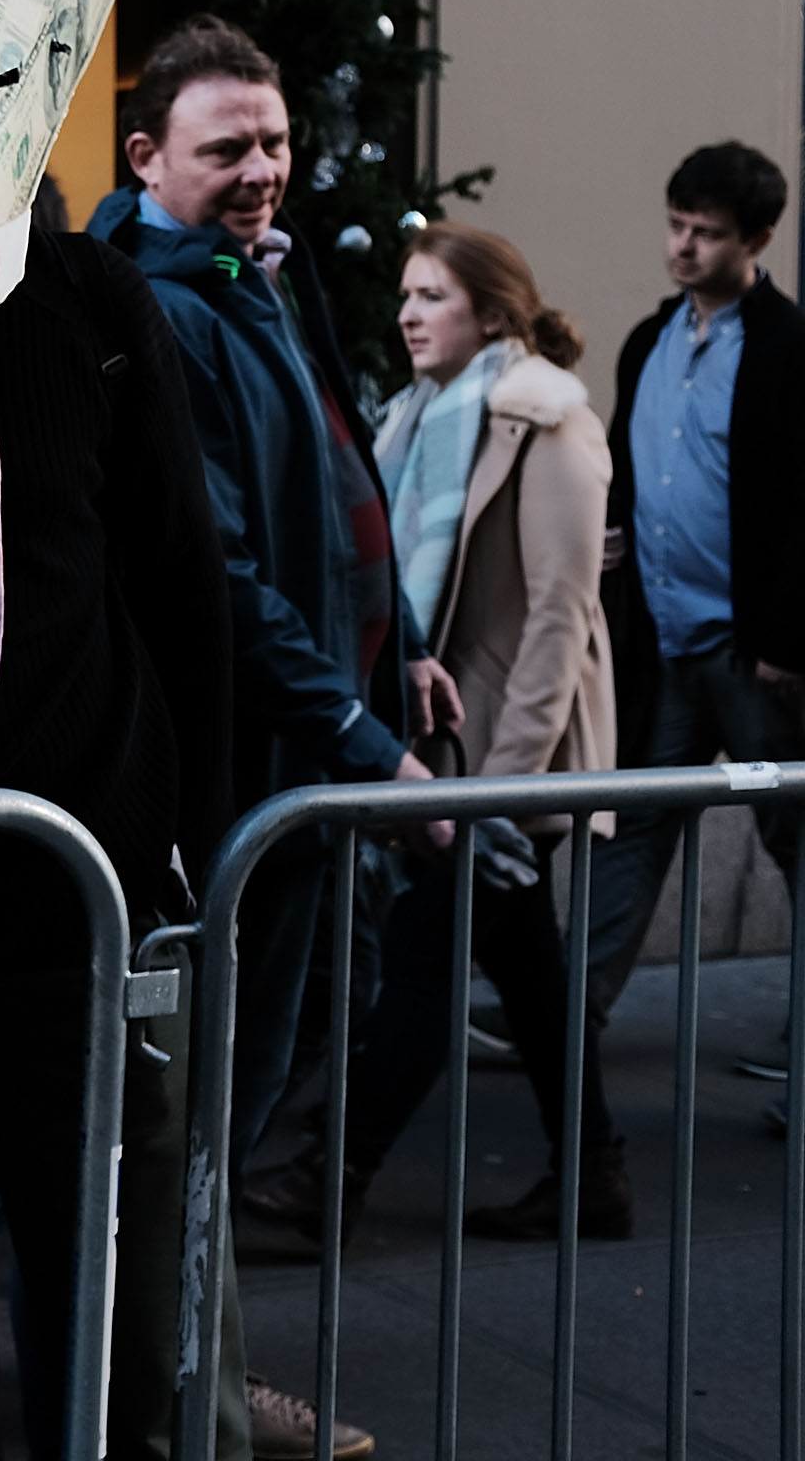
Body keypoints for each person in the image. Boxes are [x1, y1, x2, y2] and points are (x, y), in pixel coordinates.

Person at [90, 14, 437, 1460]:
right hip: (252, 775)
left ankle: (204, 1391)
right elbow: (225, 579)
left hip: (302, 759)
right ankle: (193, 1404)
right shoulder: (157, 308)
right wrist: (358, 729)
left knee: (232, 1104)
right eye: (226, 146)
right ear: (146, 157)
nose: (260, 170)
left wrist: (406, 646)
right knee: (194, 1117)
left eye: (275, 142)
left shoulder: (255, 280)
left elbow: (342, 471)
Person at [0, 182, 234, 1461]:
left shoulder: (85, 294)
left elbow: (181, 578)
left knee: (113, 1316)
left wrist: (197, 855)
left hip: (80, 895)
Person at [243, 223, 623, 1246]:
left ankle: (338, 1166)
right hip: (447, 744)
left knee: (421, 960)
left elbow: (559, 617)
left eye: (433, 296)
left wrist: (501, 789)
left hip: (506, 755)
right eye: (405, 294)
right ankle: (595, 1173)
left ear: (492, 312)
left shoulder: (547, 421)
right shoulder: (413, 418)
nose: (407, 313)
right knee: (530, 973)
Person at [587, 140, 801, 1126]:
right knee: (634, 822)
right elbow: (641, 466)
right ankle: (570, 1004)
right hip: (668, 637)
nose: (682, 244)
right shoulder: (651, 338)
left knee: (794, 841)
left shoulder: (786, 346)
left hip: (752, 651)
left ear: (755, 239)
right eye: (676, 223)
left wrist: (786, 638)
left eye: (705, 232)